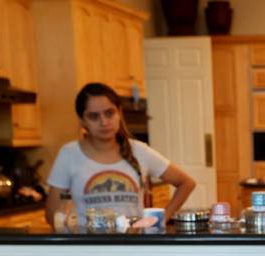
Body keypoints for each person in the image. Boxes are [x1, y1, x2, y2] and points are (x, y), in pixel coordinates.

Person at [44, 83, 196, 223]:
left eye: (109, 113)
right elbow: (52, 217)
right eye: (94, 116)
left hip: (133, 246)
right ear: (82, 121)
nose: (104, 122)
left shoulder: (140, 151)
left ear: (119, 113)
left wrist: (161, 219)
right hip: (89, 248)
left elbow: (186, 183)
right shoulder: (69, 154)